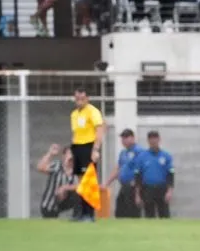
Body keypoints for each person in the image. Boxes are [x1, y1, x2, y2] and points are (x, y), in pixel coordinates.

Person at [69, 87, 104, 221]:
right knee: (80, 182)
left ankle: (89, 214)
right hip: (77, 147)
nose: (79, 101)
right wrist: (72, 152)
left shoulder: (93, 111)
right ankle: (80, 213)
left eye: (82, 99)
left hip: (88, 147)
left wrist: (95, 149)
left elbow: (99, 130)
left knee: (89, 181)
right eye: (77, 99)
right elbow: (75, 133)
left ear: (87, 98)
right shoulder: (74, 114)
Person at [133, 131, 175, 218]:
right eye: (151, 140)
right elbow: (138, 177)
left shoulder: (166, 156)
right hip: (147, 189)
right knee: (149, 215)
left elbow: (170, 174)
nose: (153, 142)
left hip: (162, 188)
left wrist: (170, 191)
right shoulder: (142, 156)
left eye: (155, 140)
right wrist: (137, 195)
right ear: (148, 141)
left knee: (164, 215)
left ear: (159, 140)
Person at [105, 128, 144, 218]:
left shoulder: (139, 151)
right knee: (120, 210)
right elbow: (118, 169)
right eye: (123, 138)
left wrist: (136, 182)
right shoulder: (123, 153)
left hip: (134, 186)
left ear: (133, 138)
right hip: (124, 185)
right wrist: (107, 183)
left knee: (132, 212)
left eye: (126, 137)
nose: (124, 140)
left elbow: (142, 169)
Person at [37, 143, 78, 219]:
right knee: (51, 223)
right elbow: (40, 167)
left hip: (64, 201)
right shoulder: (57, 166)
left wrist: (65, 188)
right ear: (63, 156)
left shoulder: (76, 171)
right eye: (69, 153)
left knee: (81, 194)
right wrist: (50, 154)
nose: (71, 156)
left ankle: (78, 216)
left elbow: (83, 185)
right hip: (50, 204)